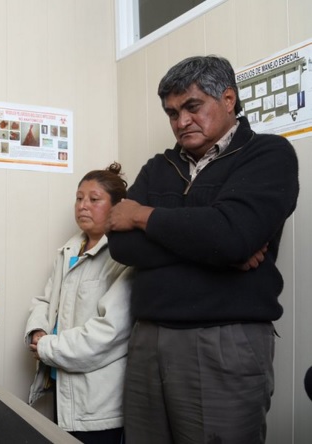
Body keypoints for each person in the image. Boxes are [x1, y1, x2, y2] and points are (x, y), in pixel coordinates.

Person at [107, 55, 299, 443]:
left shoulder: (268, 154)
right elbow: (122, 246)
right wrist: (217, 246)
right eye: (172, 113)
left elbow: (232, 236)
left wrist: (142, 215)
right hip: (147, 339)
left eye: (192, 107)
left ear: (228, 99)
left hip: (224, 339)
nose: (181, 122)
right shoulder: (159, 166)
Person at [25, 163, 133, 444]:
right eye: (79, 198)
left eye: (94, 199)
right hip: (62, 392)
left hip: (99, 405)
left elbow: (109, 333)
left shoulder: (124, 257)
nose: (83, 206)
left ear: (117, 207)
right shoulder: (68, 250)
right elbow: (45, 301)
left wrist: (47, 346)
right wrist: (38, 332)